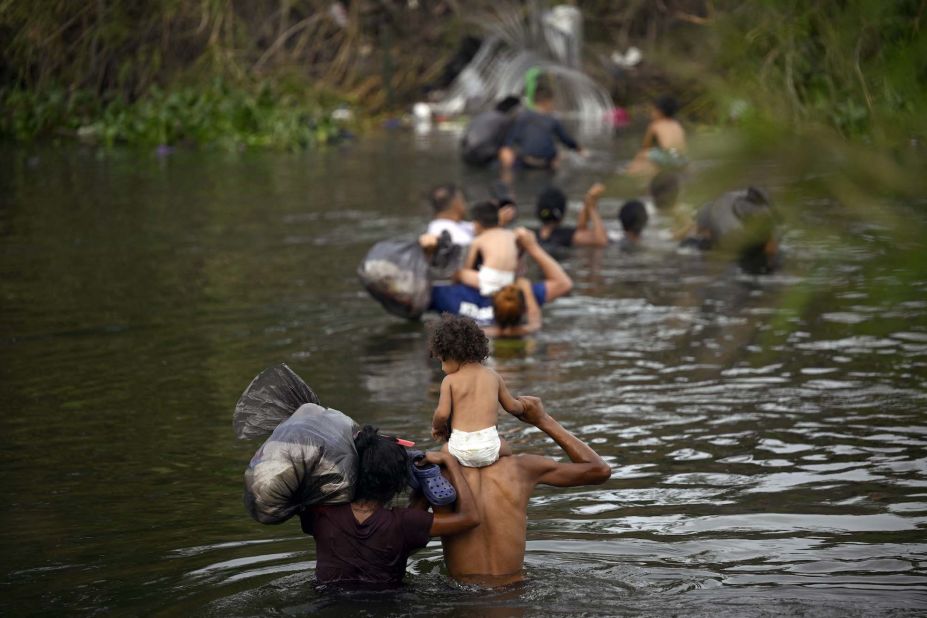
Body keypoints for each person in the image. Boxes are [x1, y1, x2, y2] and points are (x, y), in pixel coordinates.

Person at [418, 395, 611, 586]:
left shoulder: (434, 476)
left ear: (443, 430)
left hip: (460, 595)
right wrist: (543, 420)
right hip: (515, 590)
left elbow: (404, 532)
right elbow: (599, 471)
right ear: (492, 426)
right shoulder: (522, 468)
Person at [299, 425, 479, 589]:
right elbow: (470, 518)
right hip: (388, 602)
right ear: (397, 482)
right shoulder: (404, 522)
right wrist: (451, 463)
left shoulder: (321, 513)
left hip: (328, 602)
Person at [426, 228, 573, 336]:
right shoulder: (518, 296)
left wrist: (426, 254)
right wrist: (532, 247)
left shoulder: (448, 294)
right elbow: (564, 284)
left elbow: (411, 295)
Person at [429, 315, 524, 468]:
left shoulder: (450, 381)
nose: (442, 368)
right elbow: (512, 407)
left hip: (458, 449)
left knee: (444, 451)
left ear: (452, 356)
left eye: (442, 361)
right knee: (506, 447)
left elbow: (442, 414)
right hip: (490, 447)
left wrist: (437, 428)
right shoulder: (494, 376)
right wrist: (524, 406)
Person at [499, 85, 584, 171]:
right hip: (545, 164)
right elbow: (566, 140)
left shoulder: (522, 117)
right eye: (552, 102)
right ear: (547, 102)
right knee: (558, 157)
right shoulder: (552, 120)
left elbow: (510, 141)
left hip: (524, 163)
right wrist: (579, 149)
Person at [457, 201, 520, 296]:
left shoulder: (478, 240)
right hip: (509, 280)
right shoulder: (510, 235)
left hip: (489, 282)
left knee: (460, 273)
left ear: (477, 224)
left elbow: (468, 267)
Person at [533, 183, 608, 252]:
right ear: (563, 211)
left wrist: (587, 205)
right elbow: (601, 241)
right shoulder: (568, 236)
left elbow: (581, 228)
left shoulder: (530, 236)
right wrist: (592, 208)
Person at [626, 95, 687, 178]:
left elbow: (645, 146)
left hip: (667, 156)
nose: (651, 113)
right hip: (681, 158)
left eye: (652, 111)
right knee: (658, 155)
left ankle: (630, 172)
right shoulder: (677, 125)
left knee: (642, 154)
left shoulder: (655, 125)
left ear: (659, 112)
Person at [460, 96, 521, 167]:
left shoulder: (482, 115)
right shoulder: (504, 120)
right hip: (485, 157)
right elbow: (506, 143)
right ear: (512, 109)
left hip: (467, 156)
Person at [649, 171, 693, 240]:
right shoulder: (684, 213)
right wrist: (688, 226)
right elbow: (668, 239)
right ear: (678, 194)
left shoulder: (647, 212)